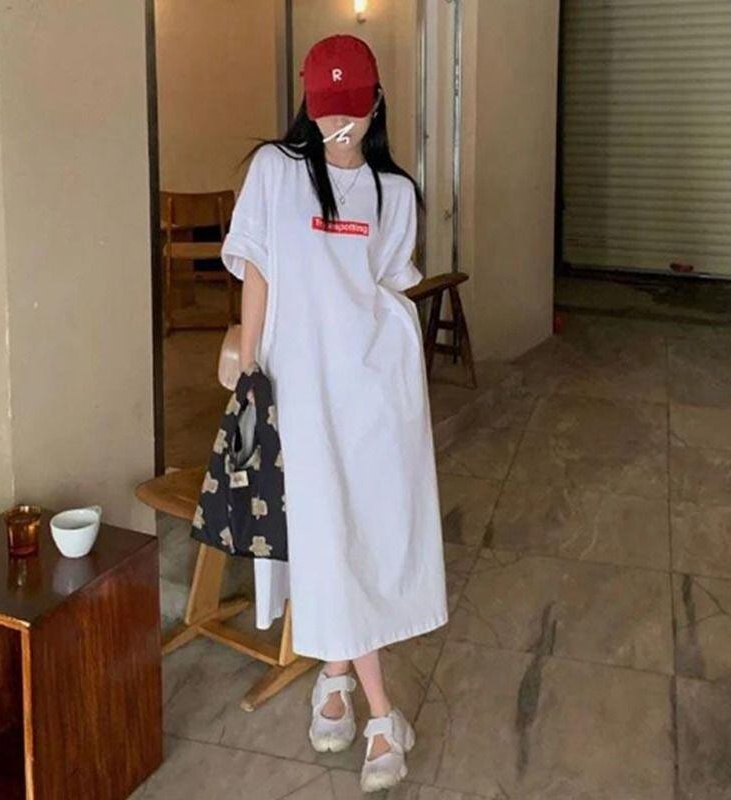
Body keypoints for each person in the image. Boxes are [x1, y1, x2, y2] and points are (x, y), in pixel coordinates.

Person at [220, 33, 448, 793]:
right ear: (307, 102)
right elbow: (257, 270)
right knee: (327, 533)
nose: (339, 125)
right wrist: (251, 364)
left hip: (376, 390)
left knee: (368, 529)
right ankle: (380, 713)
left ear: (375, 102)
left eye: (351, 109)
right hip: (300, 391)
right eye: (326, 110)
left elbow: (387, 288)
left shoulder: (395, 193)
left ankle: (340, 681)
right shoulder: (274, 170)